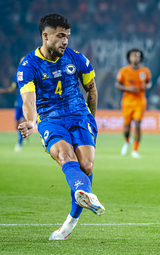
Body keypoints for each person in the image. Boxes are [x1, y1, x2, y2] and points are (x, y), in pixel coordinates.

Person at [17, 14, 105, 240]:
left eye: (67, 36)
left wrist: (91, 120)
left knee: (86, 166)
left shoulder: (77, 59)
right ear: (45, 36)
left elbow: (91, 90)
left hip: (78, 114)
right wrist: (29, 120)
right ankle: (83, 193)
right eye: (60, 36)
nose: (65, 41)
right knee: (66, 156)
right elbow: (28, 99)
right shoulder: (29, 65)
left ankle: (70, 221)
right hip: (49, 118)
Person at [115, 49, 152, 158]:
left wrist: (147, 87)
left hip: (140, 101)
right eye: (133, 56)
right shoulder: (124, 71)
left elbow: (149, 83)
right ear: (129, 58)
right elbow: (117, 84)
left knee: (137, 124)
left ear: (140, 58)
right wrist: (128, 88)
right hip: (127, 101)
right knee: (126, 128)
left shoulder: (145, 71)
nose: (136, 58)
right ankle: (127, 141)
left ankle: (135, 150)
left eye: (138, 56)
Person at [0, 57, 26, 152]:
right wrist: (3, 91)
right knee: (16, 125)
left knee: (22, 122)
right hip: (17, 103)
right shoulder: (17, 75)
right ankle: (24, 135)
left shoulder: (31, 74)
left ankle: (19, 143)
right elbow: (13, 88)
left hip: (25, 103)